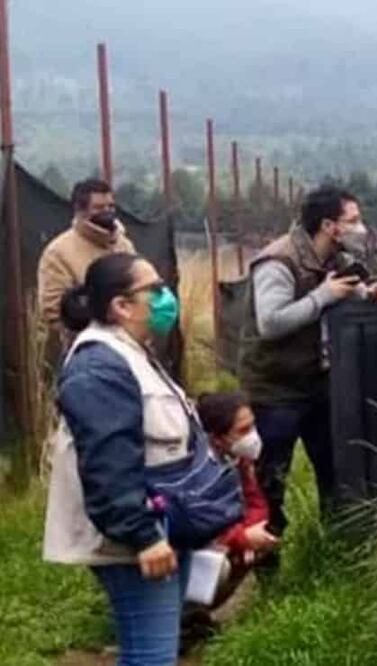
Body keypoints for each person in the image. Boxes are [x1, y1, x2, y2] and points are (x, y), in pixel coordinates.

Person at [239, 185, 377, 572]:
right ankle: (265, 566)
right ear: (329, 226)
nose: (360, 227)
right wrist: (325, 296)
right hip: (275, 388)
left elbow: (347, 290)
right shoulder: (278, 261)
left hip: (318, 384)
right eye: (353, 220)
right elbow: (271, 322)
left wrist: (370, 292)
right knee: (271, 478)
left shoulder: (336, 258)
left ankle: (334, 558)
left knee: (334, 470)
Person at [42, 252, 190, 665]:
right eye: (155, 290)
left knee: (149, 650)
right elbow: (108, 461)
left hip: (153, 523)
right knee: (151, 657)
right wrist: (142, 535)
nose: (166, 298)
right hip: (131, 536)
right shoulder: (98, 366)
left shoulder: (130, 352)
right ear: (121, 306)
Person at [179, 391, 279, 647]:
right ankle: (182, 617)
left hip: (220, 536)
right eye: (243, 429)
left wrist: (253, 529)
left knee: (260, 547)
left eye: (253, 426)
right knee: (219, 565)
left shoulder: (238, 459)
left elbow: (256, 500)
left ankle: (197, 617)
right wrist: (242, 538)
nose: (252, 436)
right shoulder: (196, 466)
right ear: (217, 436)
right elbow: (199, 521)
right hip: (187, 547)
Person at [37, 179, 136, 337]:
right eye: (99, 207)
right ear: (80, 210)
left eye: (110, 206)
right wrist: (93, 334)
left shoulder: (124, 245)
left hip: (131, 340)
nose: (107, 212)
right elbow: (53, 309)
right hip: (90, 345)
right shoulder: (58, 252)